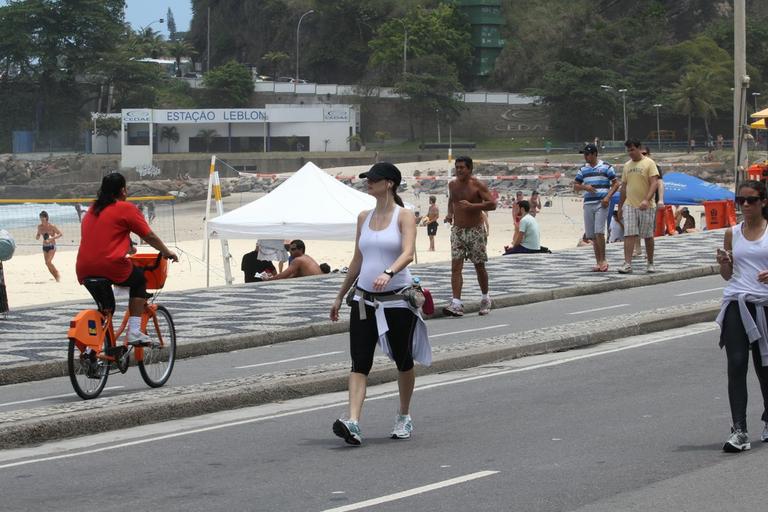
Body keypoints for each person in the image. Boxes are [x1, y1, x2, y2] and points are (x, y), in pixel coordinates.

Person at [329, 162, 428, 446]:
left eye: (373, 179)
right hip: (364, 300)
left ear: (390, 183)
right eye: (367, 179)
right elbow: (357, 260)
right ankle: (353, 421)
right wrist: (339, 295)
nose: (367, 183)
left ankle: (404, 415)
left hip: (397, 300)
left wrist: (389, 272)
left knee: (403, 359)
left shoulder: (404, 216)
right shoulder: (363, 217)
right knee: (359, 362)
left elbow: (408, 252)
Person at [76, 173, 178, 345]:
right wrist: (167, 252)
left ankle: (94, 350)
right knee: (138, 280)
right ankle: (134, 332)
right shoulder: (126, 208)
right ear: (123, 190)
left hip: (84, 267)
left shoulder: (92, 209)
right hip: (110, 265)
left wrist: (127, 246)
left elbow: (104, 235)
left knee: (107, 309)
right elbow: (150, 236)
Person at [715, 180, 768, 452]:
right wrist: (724, 264)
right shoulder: (731, 233)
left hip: (765, 304)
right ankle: (739, 430)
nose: (745, 205)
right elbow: (727, 276)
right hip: (737, 302)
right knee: (736, 364)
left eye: (751, 200)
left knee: (764, 367)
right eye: (740, 200)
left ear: (763, 202)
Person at [443, 156, 497, 317]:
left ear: (470, 169)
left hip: (475, 230)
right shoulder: (452, 184)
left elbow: (492, 204)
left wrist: (473, 206)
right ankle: (456, 303)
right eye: (457, 167)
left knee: (479, 266)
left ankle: (485, 298)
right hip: (458, 231)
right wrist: (449, 214)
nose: (458, 170)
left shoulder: (477, 185)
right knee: (455, 267)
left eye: (462, 168)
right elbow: (452, 200)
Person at [573, 143, 619, 272]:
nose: (585, 157)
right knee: (591, 235)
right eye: (584, 154)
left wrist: (607, 197)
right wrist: (585, 187)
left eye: (587, 154)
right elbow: (575, 186)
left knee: (599, 231)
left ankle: (604, 259)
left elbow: (616, 184)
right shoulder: (583, 170)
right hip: (588, 203)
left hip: (601, 202)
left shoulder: (606, 167)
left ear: (594, 154)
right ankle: (598, 261)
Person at [617, 139, 659, 274]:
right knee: (629, 234)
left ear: (639, 148)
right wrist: (620, 206)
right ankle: (627, 263)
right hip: (630, 205)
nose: (630, 153)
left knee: (647, 235)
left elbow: (654, 183)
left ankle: (650, 262)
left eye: (633, 149)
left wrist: (647, 200)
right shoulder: (626, 166)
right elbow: (623, 187)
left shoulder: (649, 163)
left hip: (646, 205)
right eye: (628, 150)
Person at [36, 211, 62, 282]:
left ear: (46, 217)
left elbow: (60, 234)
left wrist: (52, 238)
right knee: (47, 263)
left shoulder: (52, 226)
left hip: (52, 246)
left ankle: (57, 274)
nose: (41, 219)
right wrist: (37, 236)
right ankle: (55, 276)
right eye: (40, 217)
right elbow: (38, 235)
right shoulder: (39, 227)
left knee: (48, 262)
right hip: (44, 246)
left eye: (42, 217)